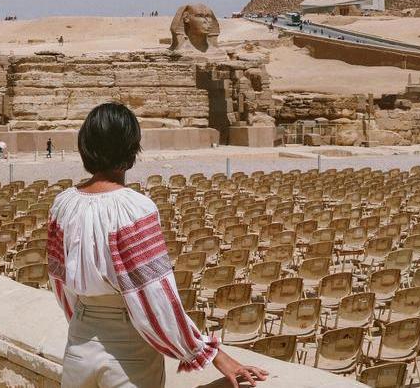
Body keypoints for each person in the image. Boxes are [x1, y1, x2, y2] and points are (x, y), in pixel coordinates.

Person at [48, 102, 267, 388]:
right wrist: (212, 354)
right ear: (131, 149)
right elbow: (156, 298)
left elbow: (59, 282)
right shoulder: (135, 209)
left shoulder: (62, 205)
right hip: (129, 353)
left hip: (79, 344)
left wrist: (84, 322)